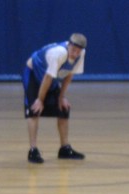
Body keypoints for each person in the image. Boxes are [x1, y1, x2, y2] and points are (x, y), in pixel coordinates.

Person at [22, 33, 87, 163]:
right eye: (73, 50)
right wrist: (40, 100)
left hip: (49, 76)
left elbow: (69, 75)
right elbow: (47, 77)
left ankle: (64, 149)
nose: (75, 54)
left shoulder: (81, 54)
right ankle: (33, 150)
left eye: (78, 51)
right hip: (34, 73)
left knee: (63, 108)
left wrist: (61, 97)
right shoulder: (59, 53)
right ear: (69, 45)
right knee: (34, 109)